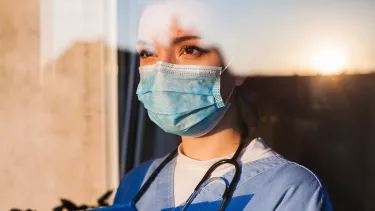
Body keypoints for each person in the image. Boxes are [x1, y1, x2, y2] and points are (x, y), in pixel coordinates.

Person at [111, 0, 333, 210]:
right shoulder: (135, 185)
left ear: (241, 64)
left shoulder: (290, 191)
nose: (162, 70)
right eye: (148, 53)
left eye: (189, 49)